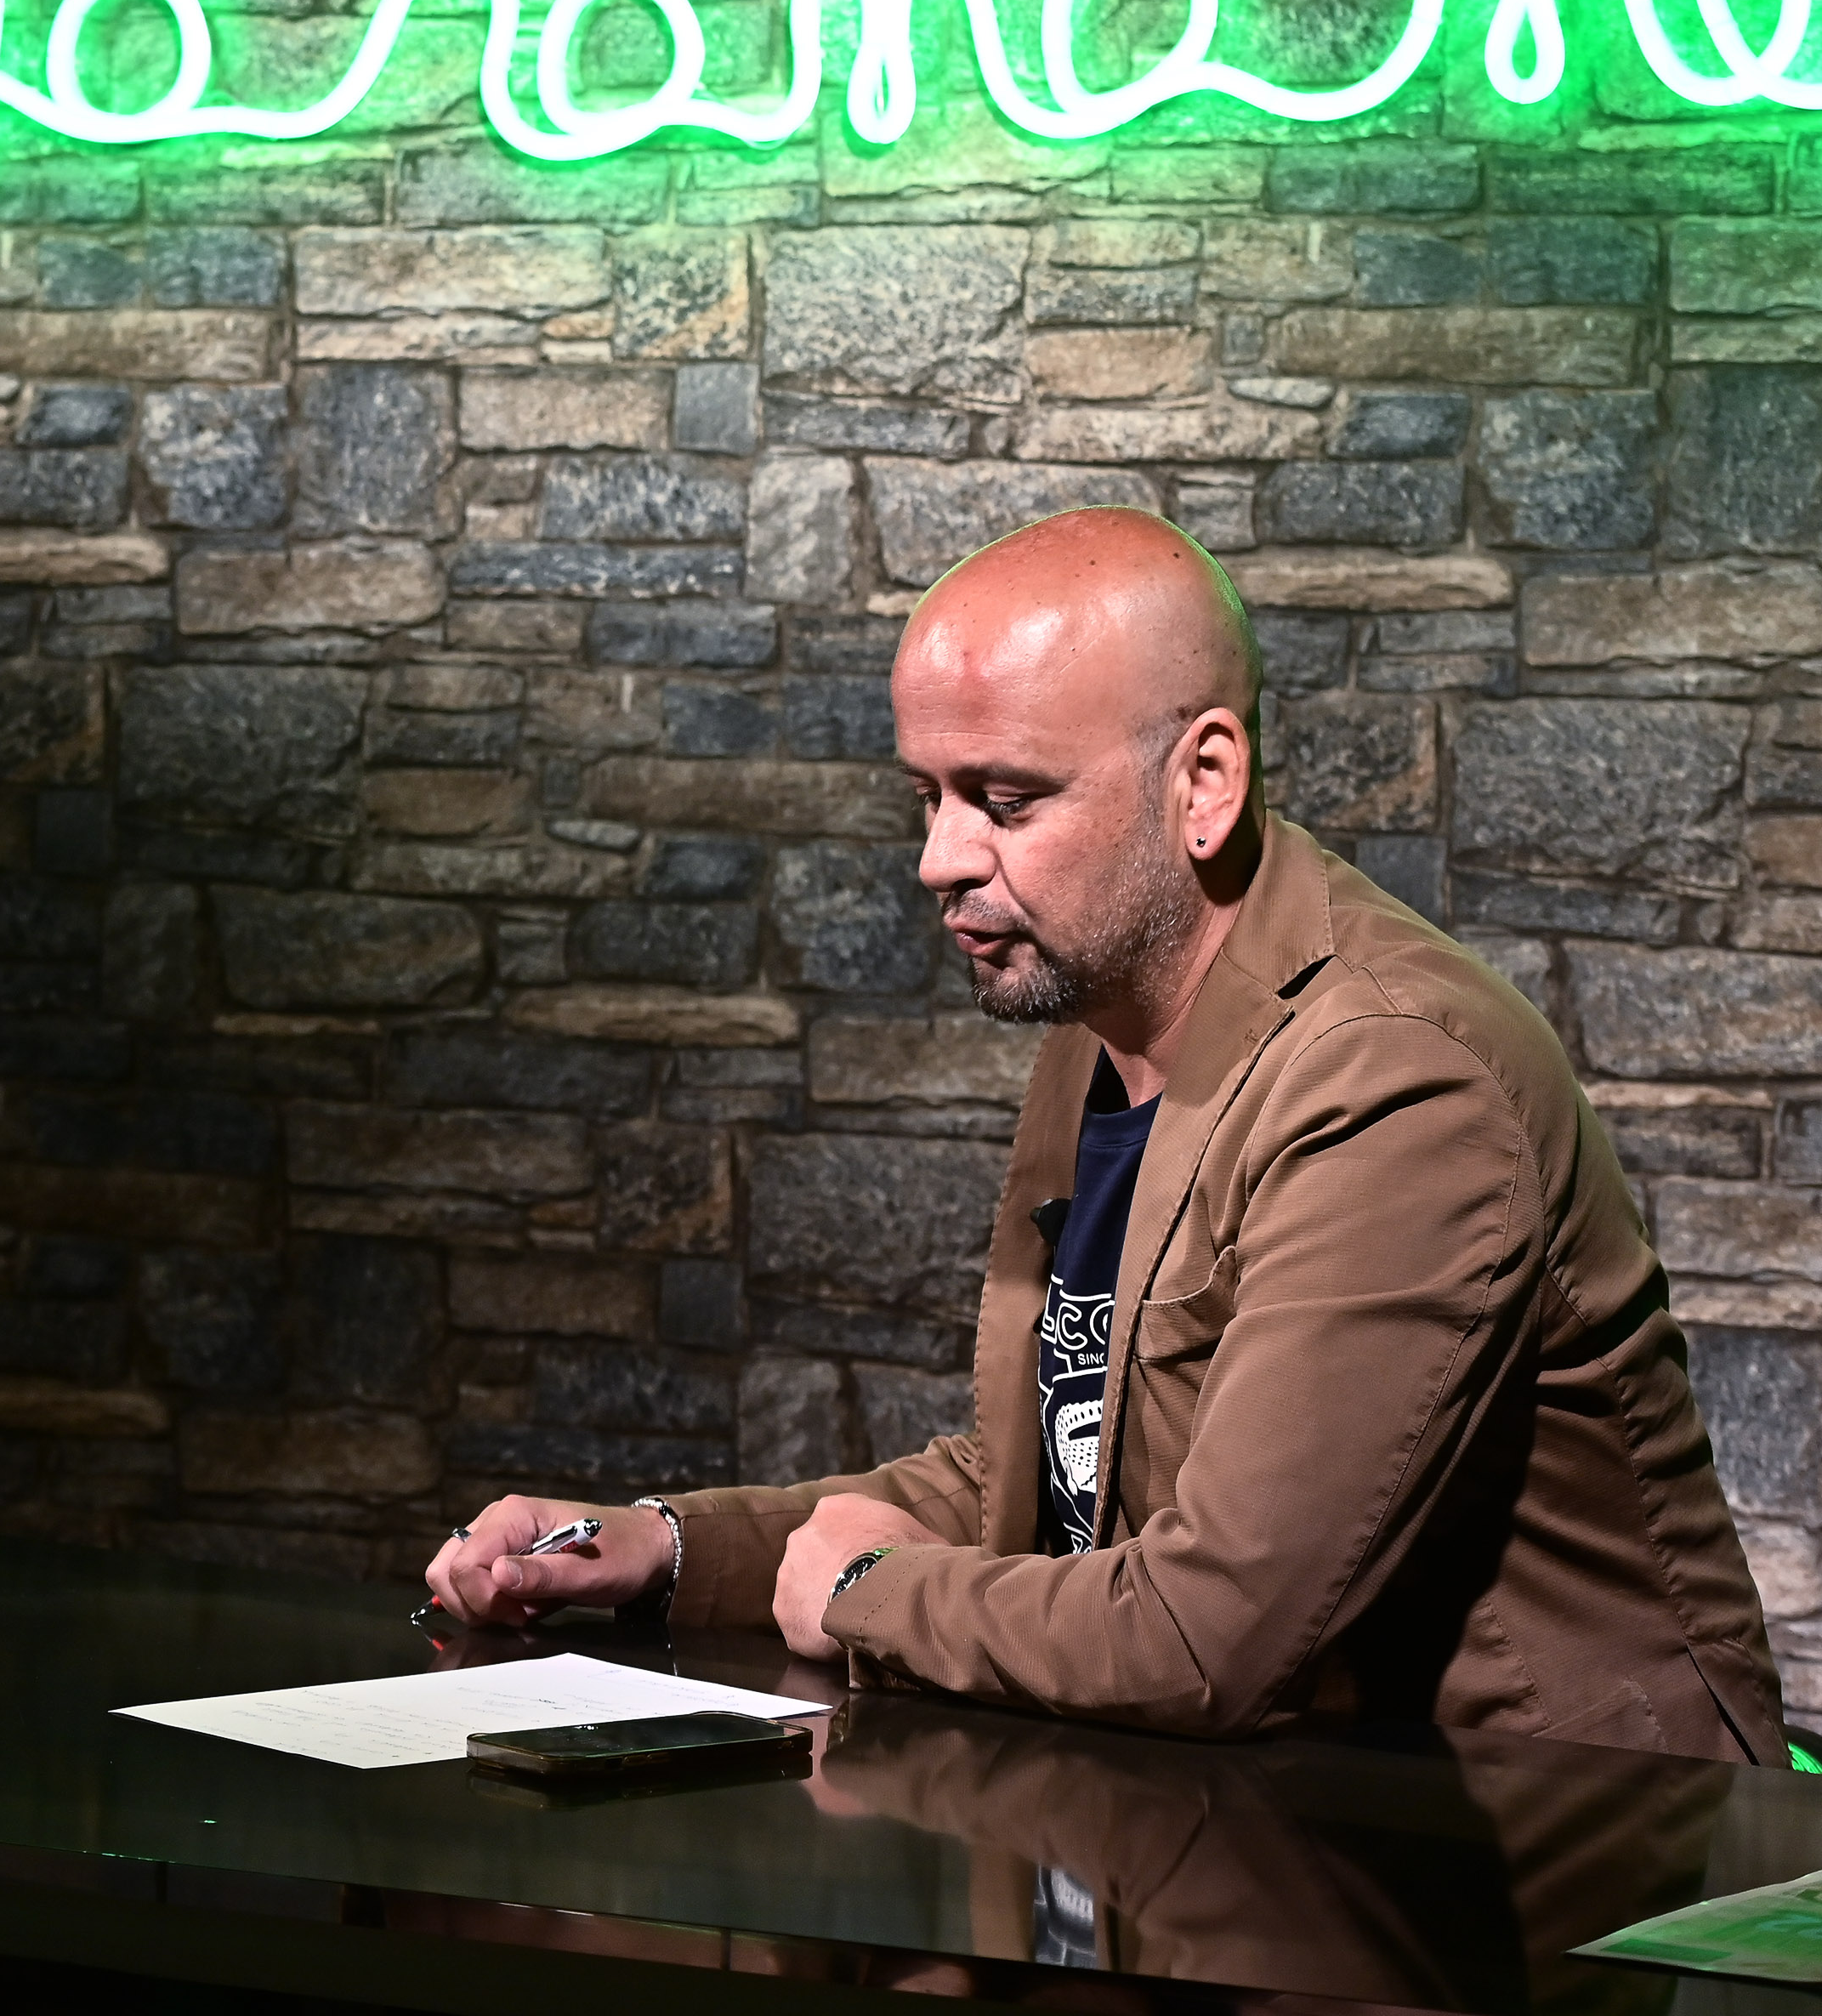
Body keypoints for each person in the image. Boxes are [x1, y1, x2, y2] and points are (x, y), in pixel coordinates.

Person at [430, 508, 1782, 1760]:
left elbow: (1209, 1635)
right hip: (1258, 1830)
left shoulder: (1395, 1083)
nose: (939, 859)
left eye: (1005, 801)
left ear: (1205, 782)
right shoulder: (1104, 1023)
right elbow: (1057, 1468)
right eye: (927, 796)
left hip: (1550, 1862)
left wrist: (864, 1594)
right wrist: (663, 1551)